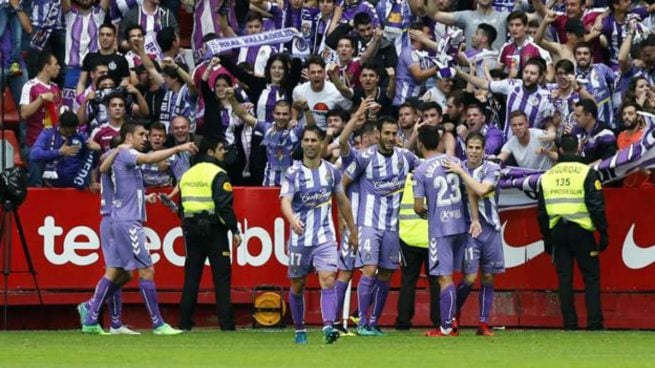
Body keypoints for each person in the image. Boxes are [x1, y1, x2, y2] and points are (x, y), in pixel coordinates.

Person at [78, 121, 197, 335]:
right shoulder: (126, 154)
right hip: (127, 221)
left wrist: (145, 197)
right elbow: (150, 158)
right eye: (141, 134)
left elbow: (113, 175)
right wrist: (179, 148)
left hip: (119, 217)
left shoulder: (121, 156)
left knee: (120, 272)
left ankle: (91, 311)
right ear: (129, 138)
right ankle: (158, 324)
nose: (146, 138)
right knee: (146, 270)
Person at [280, 125, 358, 344]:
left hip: (325, 236)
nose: (310, 144)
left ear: (322, 142)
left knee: (328, 279)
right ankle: (299, 328)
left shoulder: (332, 172)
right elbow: (285, 200)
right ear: (302, 143)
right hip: (300, 237)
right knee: (298, 284)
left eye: (314, 140)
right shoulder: (293, 173)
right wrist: (292, 219)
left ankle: (328, 326)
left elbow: (342, 201)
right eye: (306, 140)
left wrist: (353, 231)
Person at [342, 116, 420, 336]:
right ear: (378, 134)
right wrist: (348, 222)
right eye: (386, 133)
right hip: (368, 224)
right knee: (369, 270)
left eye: (394, 134)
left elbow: (426, 169)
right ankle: (362, 322)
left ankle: (374, 322)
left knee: (386, 273)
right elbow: (343, 184)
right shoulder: (365, 157)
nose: (390, 138)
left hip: (393, 228)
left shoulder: (405, 157)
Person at [413, 124, 480, 337]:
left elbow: (417, 206)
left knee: (444, 278)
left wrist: (426, 213)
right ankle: (451, 319)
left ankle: (446, 326)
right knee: (464, 276)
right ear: (440, 142)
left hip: (440, 229)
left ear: (420, 143)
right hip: (461, 225)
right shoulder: (455, 162)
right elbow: (470, 189)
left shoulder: (422, 170)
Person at [537, 134, 608, 331]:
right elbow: (596, 206)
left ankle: (569, 324)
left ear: (559, 151)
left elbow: (542, 212)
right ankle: (594, 324)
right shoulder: (587, 172)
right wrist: (603, 232)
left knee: (564, 278)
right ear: (578, 148)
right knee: (591, 277)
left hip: (558, 230)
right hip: (582, 231)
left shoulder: (547, 176)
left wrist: (547, 238)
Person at [444, 132, 505, 336]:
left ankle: (483, 323)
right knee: (469, 278)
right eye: (470, 147)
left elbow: (479, 190)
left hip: (491, 228)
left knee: (488, 276)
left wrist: (461, 173)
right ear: (466, 147)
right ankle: (453, 316)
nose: (474, 151)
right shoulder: (457, 166)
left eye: (478, 148)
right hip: (470, 229)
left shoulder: (492, 168)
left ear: (483, 150)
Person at [178, 136, 242, 332]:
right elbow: (224, 207)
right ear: (211, 152)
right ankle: (226, 324)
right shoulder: (218, 173)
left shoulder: (187, 174)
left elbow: (181, 206)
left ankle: (184, 322)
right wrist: (234, 229)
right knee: (221, 277)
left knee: (191, 277)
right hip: (214, 229)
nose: (224, 152)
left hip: (191, 227)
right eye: (221, 148)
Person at [394, 171, 440, 331]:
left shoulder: (403, 180)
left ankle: (403, 322)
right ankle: (439, 321)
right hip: (430, 238)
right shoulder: (434, 176)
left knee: (408, 281)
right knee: (435, 282)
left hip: (407, 237)